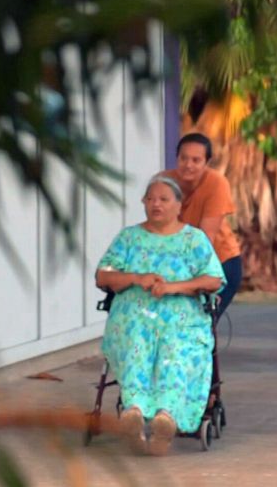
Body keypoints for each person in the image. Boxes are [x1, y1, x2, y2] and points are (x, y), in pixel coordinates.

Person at [95, 175, 225, 456]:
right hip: (133, 318)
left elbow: (214, 279)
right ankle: (135, 412)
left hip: (182, 319)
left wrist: (172, 287)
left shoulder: (194, 239)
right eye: (150, 198)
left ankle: (166, 417)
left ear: (179, 206)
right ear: (143, 202)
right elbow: (103, 275)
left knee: (176, 352)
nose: (156, 204)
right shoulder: (129, 238)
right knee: (135, 349)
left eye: (164, 199)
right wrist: (136, 277)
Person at [164, 133, 243, 319]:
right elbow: (156, 227)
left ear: (207, 162)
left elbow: (205, 238)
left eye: (196, 160)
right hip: (174, 263)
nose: (188, 165)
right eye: (183, 158)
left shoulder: (217, 183)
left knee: (202, 322)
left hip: (219, 261)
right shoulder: (163, 182)